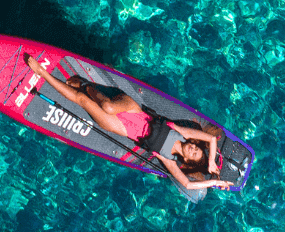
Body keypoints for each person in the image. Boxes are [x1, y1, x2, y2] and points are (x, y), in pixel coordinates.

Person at [25, 55, 233, 191]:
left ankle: (42, 73)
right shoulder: (183, 133)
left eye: (194, 153)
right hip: (134, 110)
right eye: (196, 147)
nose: (193, 147)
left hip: (123, 129)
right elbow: (210, 138)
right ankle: (86, 84)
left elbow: (187, 184)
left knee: (82, 101)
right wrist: (211, 161)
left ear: (186, 161)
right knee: (107, 106)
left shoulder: (168, 159)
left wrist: (215, 182)